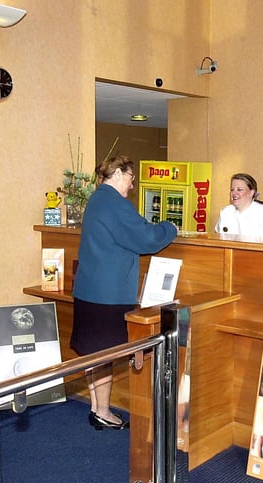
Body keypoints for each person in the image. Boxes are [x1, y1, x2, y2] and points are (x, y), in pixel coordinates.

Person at [70, 154, 177, 430]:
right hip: (108, 294)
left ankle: (96, 406)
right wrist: (170, 227)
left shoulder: (96, 200)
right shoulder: (114, 204)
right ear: (118, 174)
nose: (132, 186)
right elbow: (147, 239)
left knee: (93, 353)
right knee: (105, 353)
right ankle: (104, 411)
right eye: (131, 178)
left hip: (88, 289)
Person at [214, 173, 263, 238]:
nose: (234, 193)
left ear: (251, 193)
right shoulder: (225, 212)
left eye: (239, 189)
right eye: (232, 189)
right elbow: (217, 237)